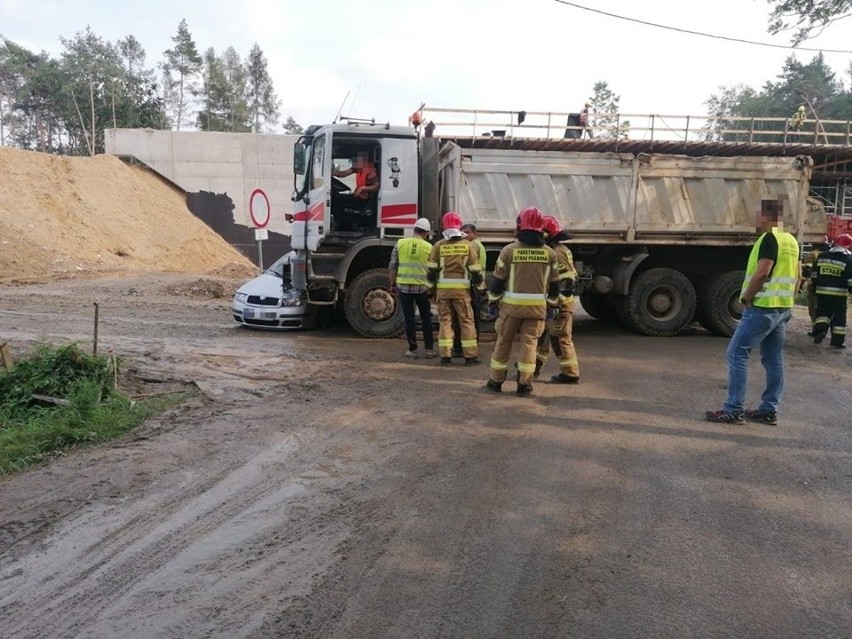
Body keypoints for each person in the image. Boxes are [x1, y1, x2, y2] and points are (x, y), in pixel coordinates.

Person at [705, 198, 801, 427]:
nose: (756, 220)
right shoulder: (791, 240)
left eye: (759, 215)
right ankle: (769, 410)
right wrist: (790, 301)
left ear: (768, 217)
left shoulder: (769, 238)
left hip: (762, 307)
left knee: (736, 353)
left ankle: (733, 409)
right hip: (782, 308)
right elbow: (798, 276)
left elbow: (762, 273)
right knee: (773, 359)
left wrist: (746, 298)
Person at [485, 206, 560, 396]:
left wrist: (492, 302)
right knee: (530, 346)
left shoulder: (509, 251)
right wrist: (552, 306)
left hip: (511, 310)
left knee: (503, 343)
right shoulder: (550, 253)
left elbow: (497, 281)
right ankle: (524, 384)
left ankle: (495, 381)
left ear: (520, 226)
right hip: (536, 311)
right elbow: (554, 285)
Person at [427, 211, 483, 366]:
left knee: (445, 321)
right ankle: (470, 357)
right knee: (466, 321)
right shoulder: (468, 246)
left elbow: (431, 271)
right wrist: (481, 287)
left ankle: (445, 357)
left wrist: (430, 291)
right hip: (461, 292)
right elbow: (476, 271)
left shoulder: (438, 246)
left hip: (443, 292)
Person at [535, 215, 581, 383]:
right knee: (543, 336)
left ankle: (570, 373)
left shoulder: (557, 252)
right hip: (553, 304)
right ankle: (534, 367)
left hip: (560, 305)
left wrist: (556, 306)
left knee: (559, 338)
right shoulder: (558, 249)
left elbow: (567, 282)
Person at [389, 217, 436, 359]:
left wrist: (392, 284)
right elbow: (433, 270)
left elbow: (392, 266)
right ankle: (429, 349)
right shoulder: (429, 247)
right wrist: (432, 289)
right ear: (426, 233)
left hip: (403, 286)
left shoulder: (400, 243)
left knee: (409, 318)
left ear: (414, 229)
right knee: (426, 318)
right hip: (422, 288)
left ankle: (412, 349)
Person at [810, 233, 852, 349]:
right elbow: (850, 280)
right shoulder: (848, 260)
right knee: (839, 316)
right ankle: (837, 342)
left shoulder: (822, 256)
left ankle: (820, 331)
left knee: (822, 313)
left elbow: (814, 274)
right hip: (839, 295)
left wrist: (814, 288)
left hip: (822, 292)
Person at [451, 223, 487, 356]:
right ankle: (472, 346)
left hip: (472, 286)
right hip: (476, 285)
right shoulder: (478, 245)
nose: (464, 235)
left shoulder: (472, 246)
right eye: (463, 232)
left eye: (467, 232)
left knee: (466, 319)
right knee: (472, 317)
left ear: (474, 233)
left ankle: (463, 348)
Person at [801, 240, 830, 333]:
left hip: (813, 285)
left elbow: (807, 271)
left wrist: (801, 284)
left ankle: (816, 329)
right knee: (824, 307)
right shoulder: (831, 254)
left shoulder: (812, 254)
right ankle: (824, 328)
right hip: (829, 286)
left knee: (813, 308)